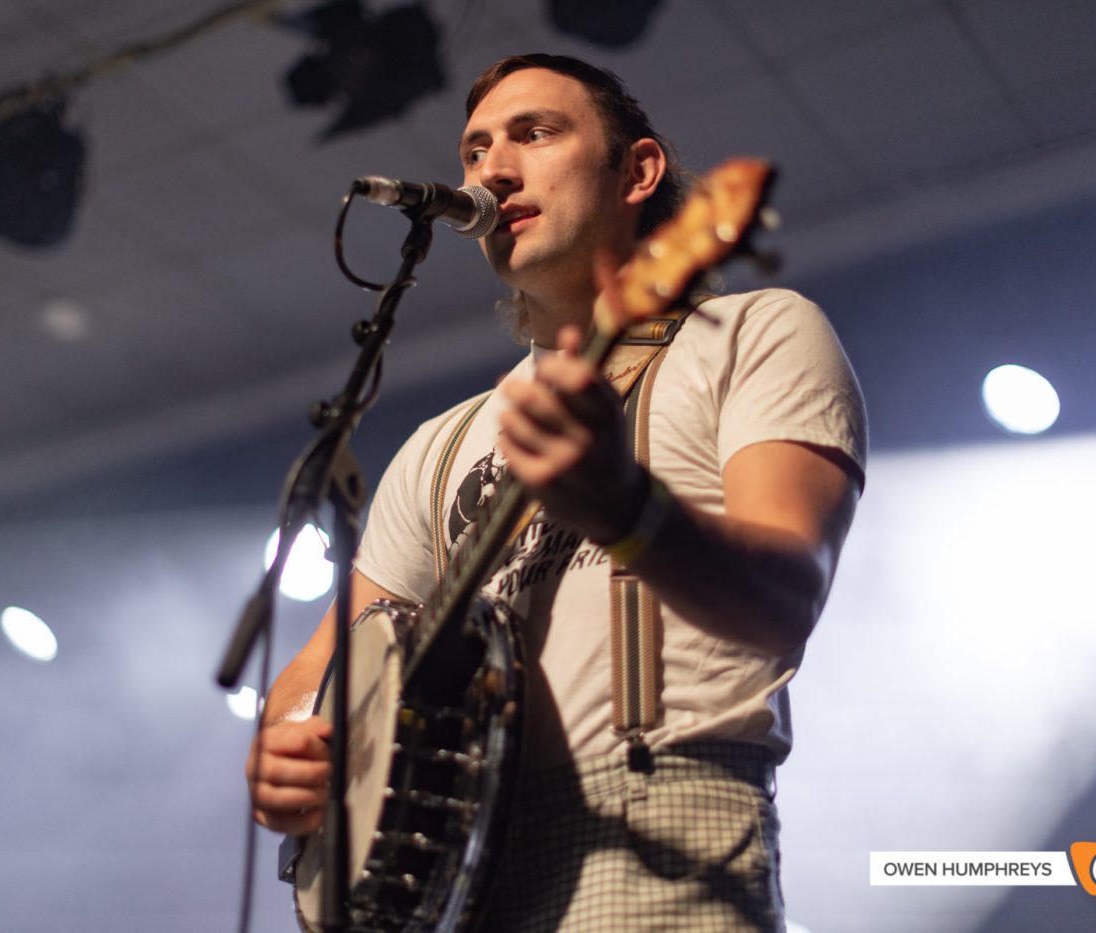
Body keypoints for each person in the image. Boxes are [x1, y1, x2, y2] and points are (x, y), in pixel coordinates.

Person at [247, 53, 867, 931]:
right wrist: (291, 750)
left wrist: (627, 507)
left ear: (639, 173)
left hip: (650, 834)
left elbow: (785, 597)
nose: (492, 171)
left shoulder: (754, 333)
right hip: (440, 879)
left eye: (535, 134)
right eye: (474, 152)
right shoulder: (440, 444)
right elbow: (319, 670)